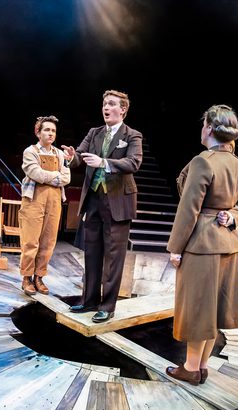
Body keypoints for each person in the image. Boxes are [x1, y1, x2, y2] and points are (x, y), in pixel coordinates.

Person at [166, 104, 238, 385]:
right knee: (213, 310)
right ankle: (202, 366)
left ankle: (191, 368)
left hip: (201, 245)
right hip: (228, 246)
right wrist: (232, 216)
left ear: (210, 129)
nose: (201, 129)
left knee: (198, 309)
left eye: (204, 124)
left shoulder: (203, 161)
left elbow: (188, 209)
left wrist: (175, 248)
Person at [62, 90, 143, 323]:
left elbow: (133, 162)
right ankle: (89, 301)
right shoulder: (94, 132)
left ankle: (107, 306)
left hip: (118, 201)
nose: (106, 108)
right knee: (92, 252)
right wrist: (71, 157)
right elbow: (79, 156)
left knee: (114, 256)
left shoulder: (132, 135)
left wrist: (104, 162)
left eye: (111, 104)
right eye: (104, 104)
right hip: (94, 199)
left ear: (123, 109)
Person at [19, 115, 71, 295]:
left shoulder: (60, 154)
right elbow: (35, 173)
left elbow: (67, 177)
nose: (50, 134)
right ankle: (26, 278)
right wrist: (56, 177)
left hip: (54, 201)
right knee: (31, 241)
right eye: (47, 130)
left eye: (53, 131)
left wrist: (50, 177)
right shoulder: (30, 152)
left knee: (48, 242)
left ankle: (39, 277)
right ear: (38, 132)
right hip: (33, 200)